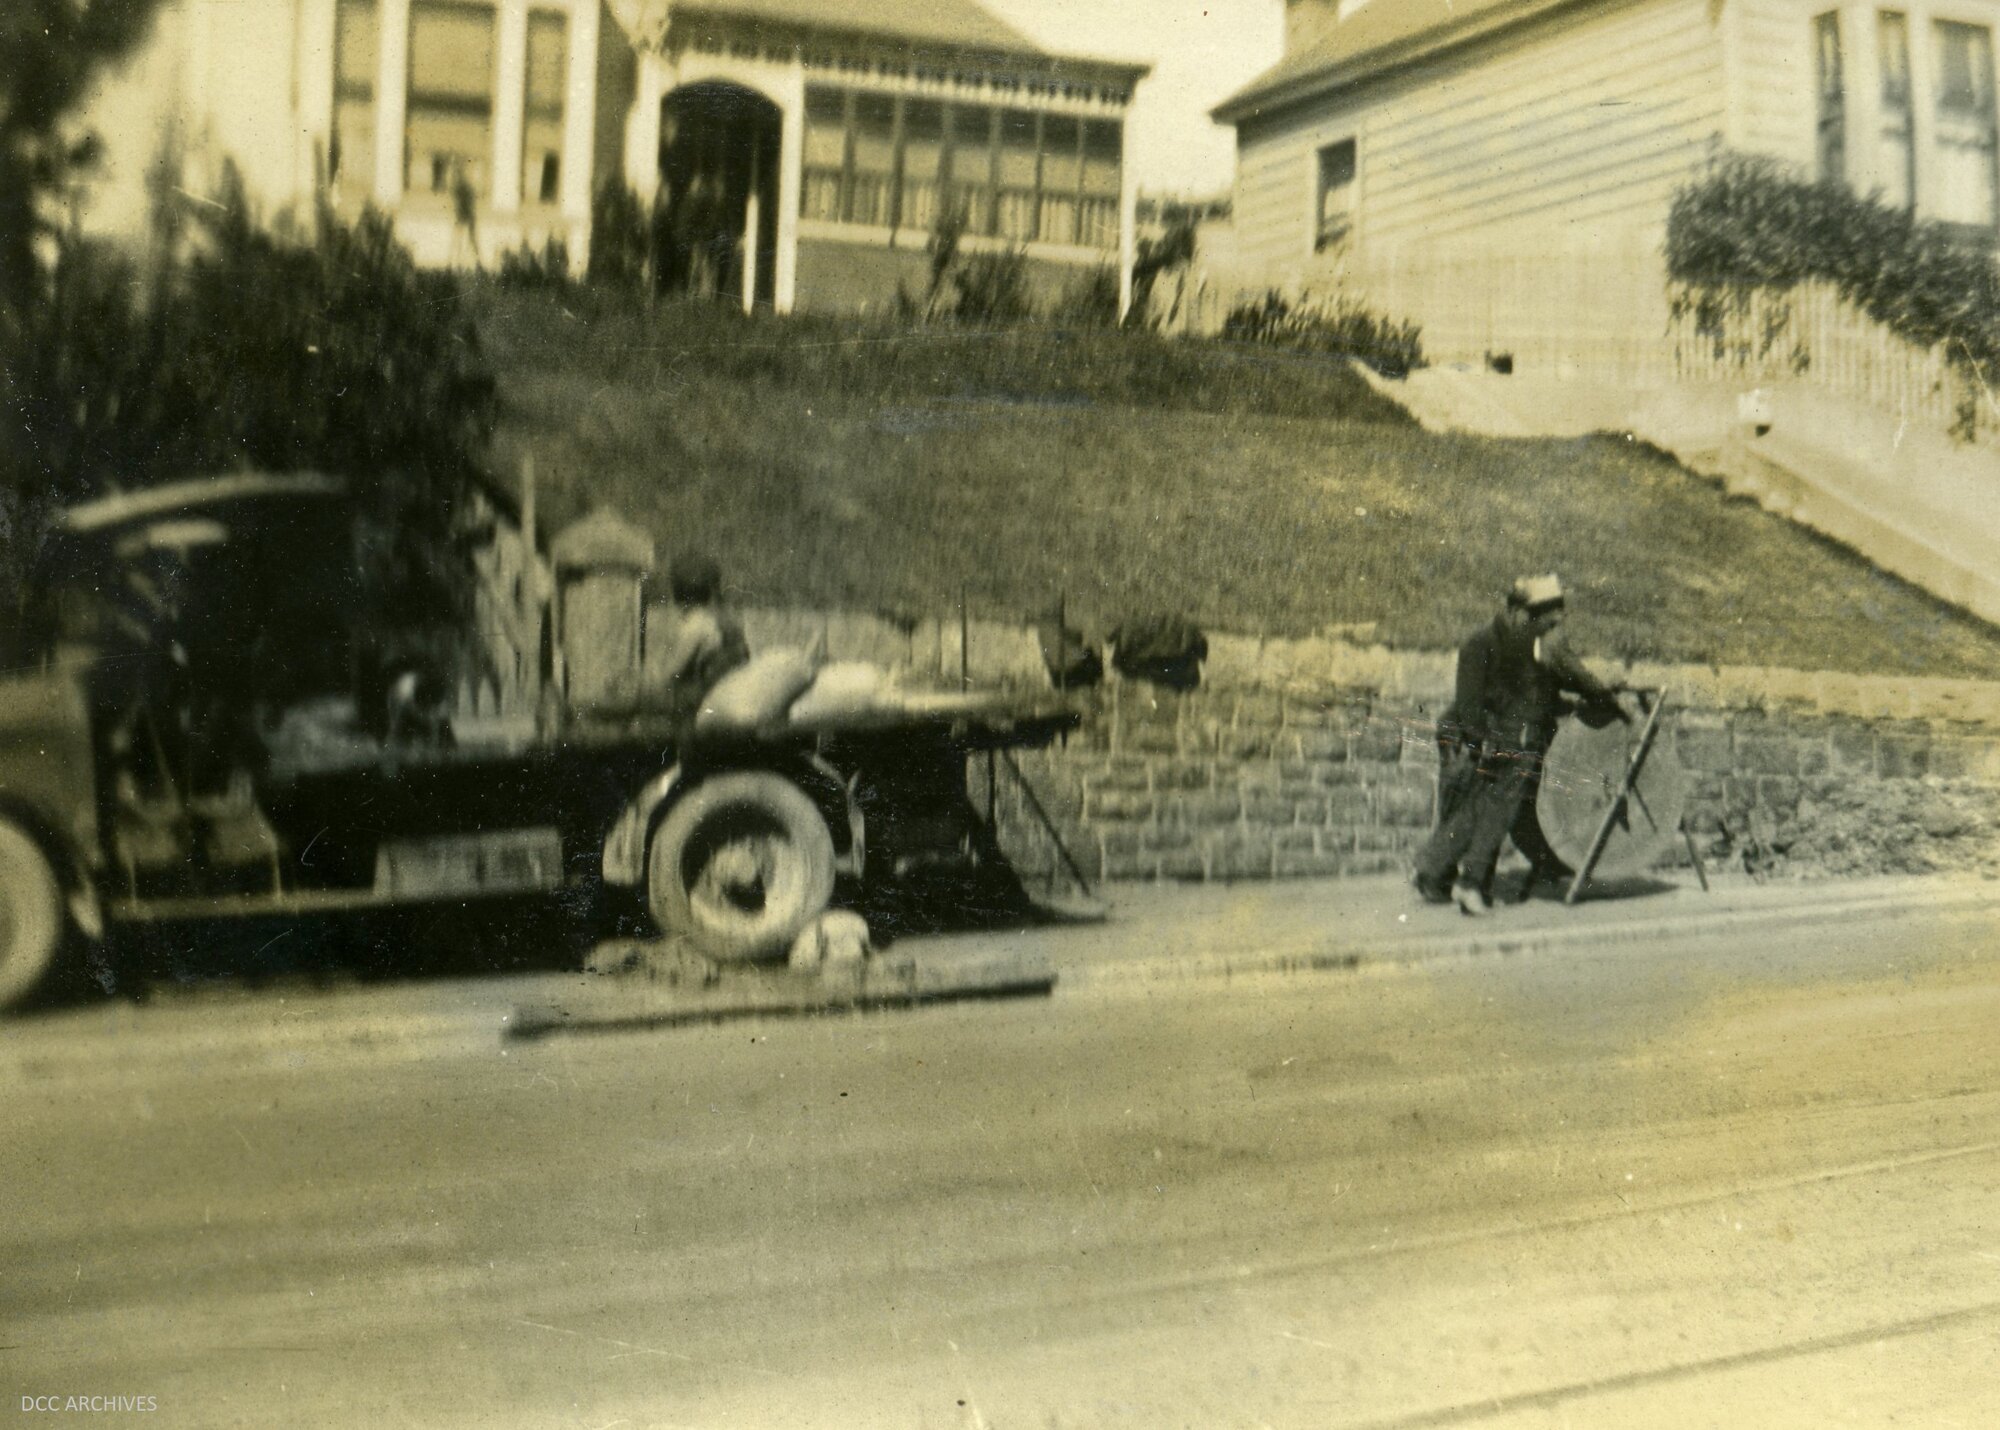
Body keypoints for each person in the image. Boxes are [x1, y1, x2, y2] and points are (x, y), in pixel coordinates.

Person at [1413, 574, 1628, 916]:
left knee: (1485, 808)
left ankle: (1442, 873)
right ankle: (1454, 879)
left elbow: (1543, 695)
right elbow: (1471, 704)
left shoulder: (1526, 641)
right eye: (1543, 614)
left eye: (1555, 614)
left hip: (1499, 735)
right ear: (1516, 610)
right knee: (1481, 808)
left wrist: (1578, 703)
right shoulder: (1484, 645)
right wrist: (1602, 694)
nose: (1550, 622)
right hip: (1469, 737)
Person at [653, 552, 749, 721]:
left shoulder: (694, 624)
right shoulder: (721, 618)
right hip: (723, 691)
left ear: (678, 591)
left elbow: (672, 673)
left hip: (700, 700)